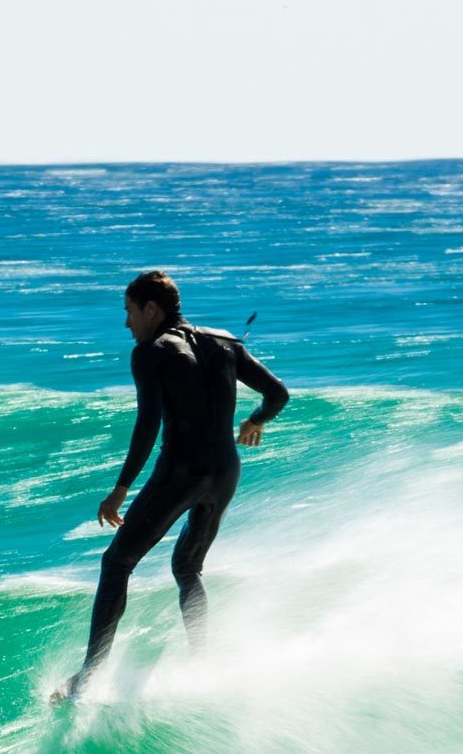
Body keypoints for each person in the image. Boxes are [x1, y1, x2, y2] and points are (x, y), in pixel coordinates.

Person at [51, 270, 289, 703]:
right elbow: (277, 394)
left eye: (128, 312)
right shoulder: (227, 342)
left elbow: (148, 424)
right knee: (188, 568)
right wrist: (255, 421)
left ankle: (89, 675)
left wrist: (121, 488)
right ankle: (203, 661)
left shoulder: (151, 351)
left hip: (181, 472)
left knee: (117, 562)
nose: (126, 323)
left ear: (150, 309)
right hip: (225, 471)